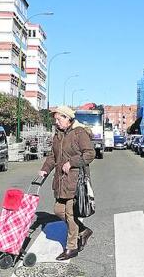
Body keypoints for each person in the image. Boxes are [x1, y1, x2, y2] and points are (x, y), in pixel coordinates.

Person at [39, 105, 95, 261]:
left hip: (75, 180)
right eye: (56, 119)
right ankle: (83, 230)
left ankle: (71, 248)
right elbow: (52, 156)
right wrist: (45, 169)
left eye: (59, 119)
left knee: (70, 214)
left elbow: (90, 154)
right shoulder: (58, 135)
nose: (56, 122)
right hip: (60, 179)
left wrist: (72, 163)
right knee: (58, 210)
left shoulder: (79, 133)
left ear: (68, 118)